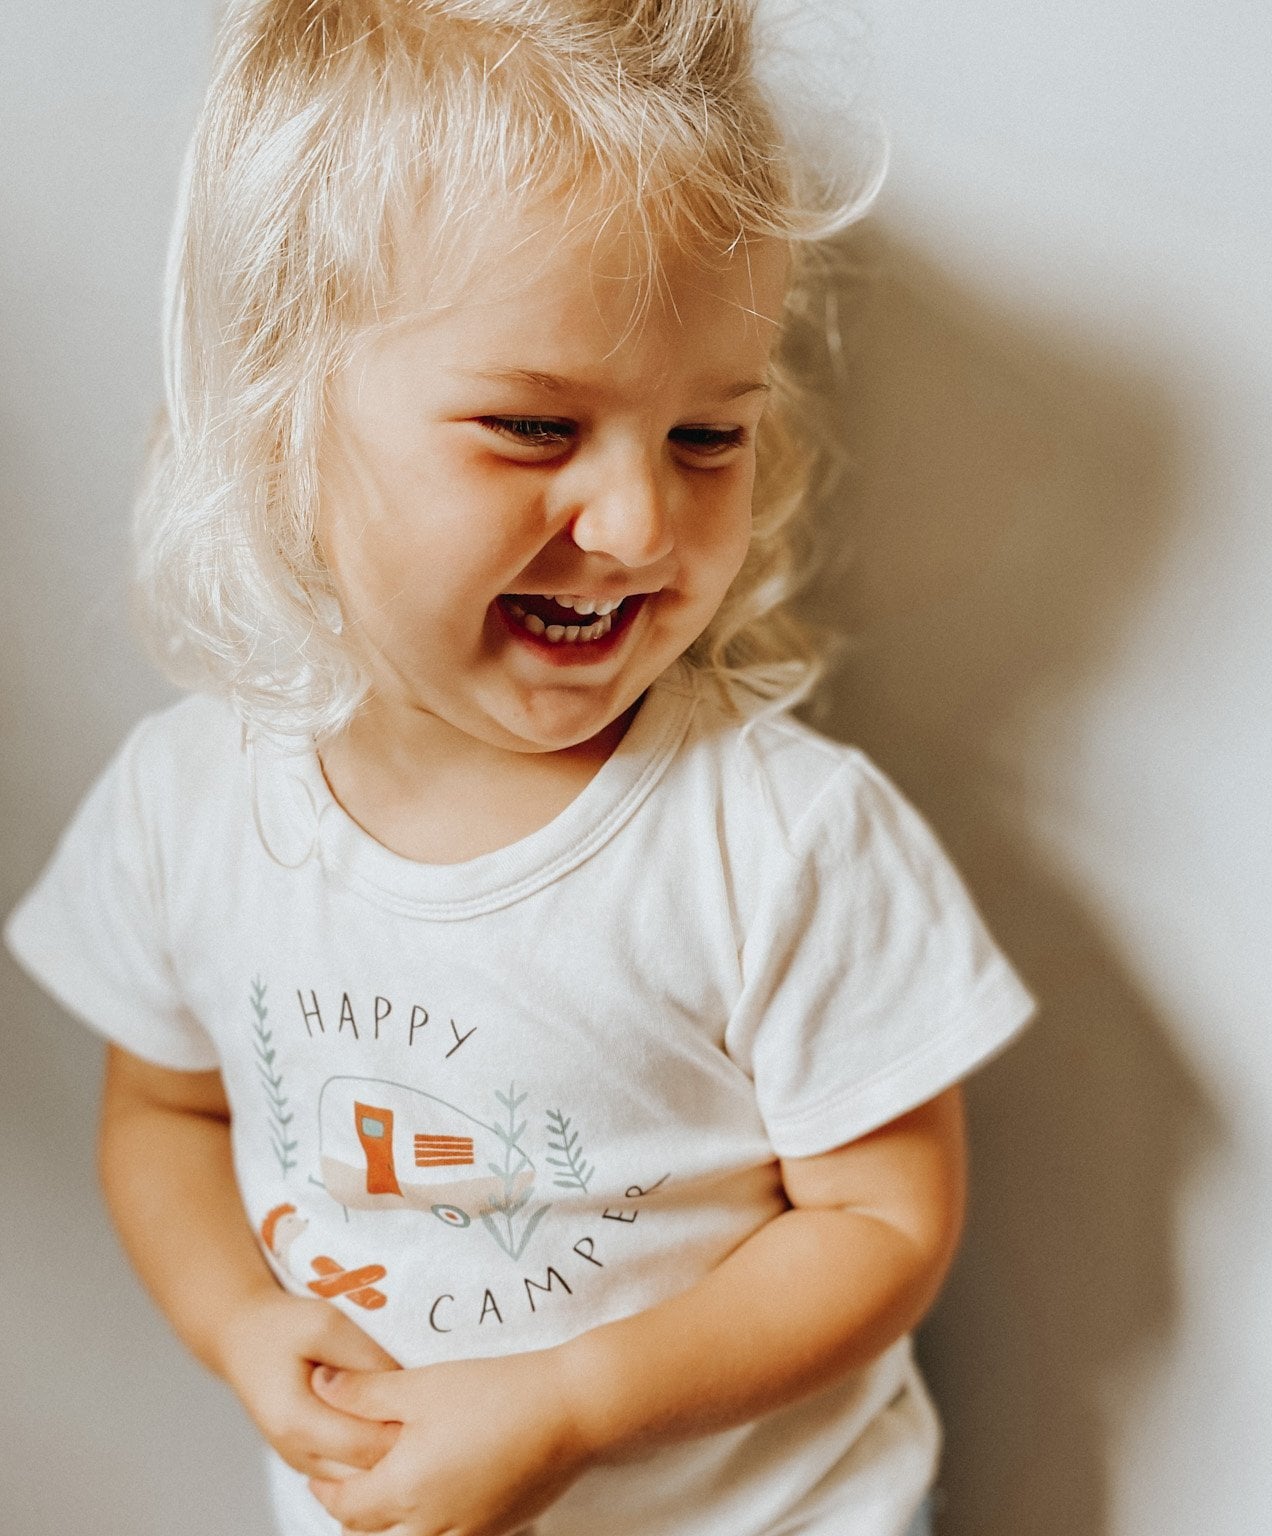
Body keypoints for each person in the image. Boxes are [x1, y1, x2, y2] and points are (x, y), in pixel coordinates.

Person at [4, 3, 1034, 1533]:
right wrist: (240, 1322)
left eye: (706, 439)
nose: (637, 524)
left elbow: (883, 1223)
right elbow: (167, 1115)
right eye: (535, 426)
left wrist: (573, 1403)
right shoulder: (186, 812)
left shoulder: (780, 841)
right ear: (282, 427)